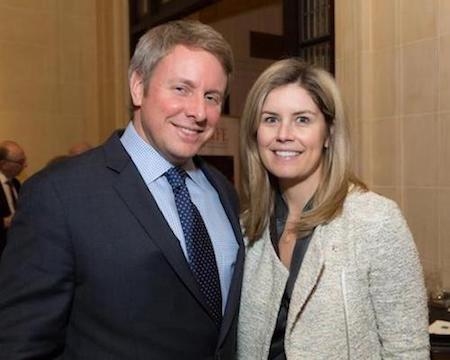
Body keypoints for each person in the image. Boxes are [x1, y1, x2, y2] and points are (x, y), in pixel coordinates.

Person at [0, 20, 244, 359]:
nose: (198, 112)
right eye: (181, 89)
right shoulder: (59, 195)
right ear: (138, 87)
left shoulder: (222, 191)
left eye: (211, 96)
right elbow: (21, 345)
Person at [237, 59, 429, 359]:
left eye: (302, 119)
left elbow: (407, 349)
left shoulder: (374, 220)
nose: (283, 134)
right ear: (255, 133)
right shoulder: (248, 228)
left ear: (328, 134)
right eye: (270, 119)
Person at [0, 140, 26, 257]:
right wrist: (5, 222)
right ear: (3, 164)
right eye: (20, 162)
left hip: (13, 250)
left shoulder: (16, 183)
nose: (25, 165)